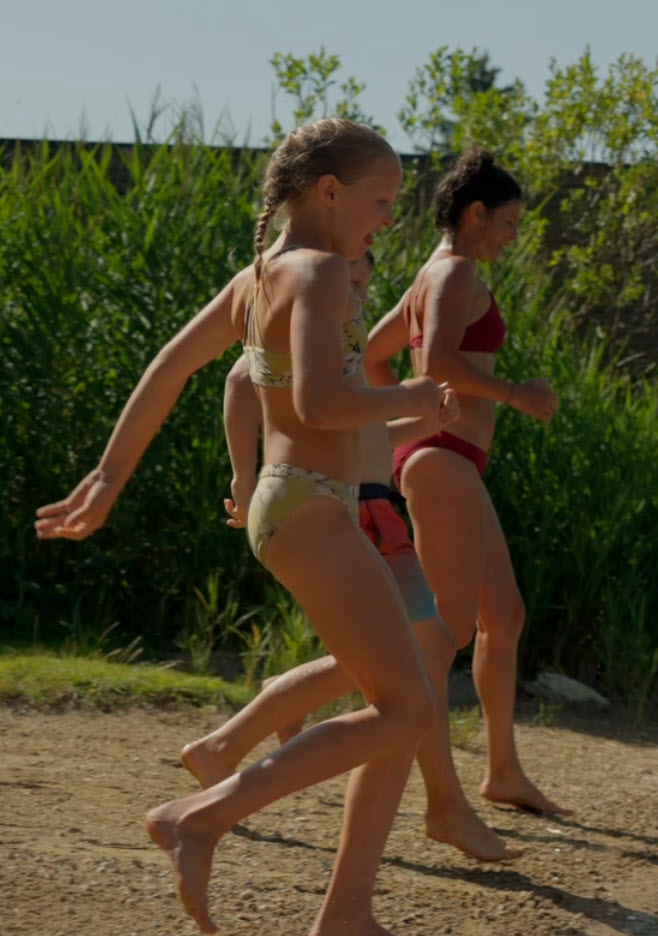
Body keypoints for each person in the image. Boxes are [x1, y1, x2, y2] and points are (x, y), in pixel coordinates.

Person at [36, 118, 459, 936]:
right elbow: (320, 406)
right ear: (327, 191)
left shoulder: (259, 275)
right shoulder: (321, 271)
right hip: (308, 503)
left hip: (291, 501)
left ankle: (243, 827)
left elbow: (170, 368)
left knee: (402, 691)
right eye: (380, 201)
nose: (386, 219)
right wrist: (412, 398)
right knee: (406, 708)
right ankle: (200, 818)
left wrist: (108, 476)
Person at [182, 250, 519, 863]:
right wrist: (242, 474)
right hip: (356, 512)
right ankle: (444, 807)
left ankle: (228, 746)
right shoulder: (317, 330)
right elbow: (237, 380)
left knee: (417, 652)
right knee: (420, 656)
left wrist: (419, 421)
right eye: (354, 278)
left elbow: (366, 440)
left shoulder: (346, 344)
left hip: (373, 506)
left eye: (366, 278)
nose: (362, 289)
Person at [374, 148, 568, 817]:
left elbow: (373, 357)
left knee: (502, 616)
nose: (514, 236)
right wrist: (516, 392)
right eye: (508, 221)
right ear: (475, 212)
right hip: (441, 457)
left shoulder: (428, 276)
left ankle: (503, 772)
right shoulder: (454, 272)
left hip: (445, 456)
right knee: (441, 633)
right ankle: (432, 794)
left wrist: (387, 423)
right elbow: (438, 362)